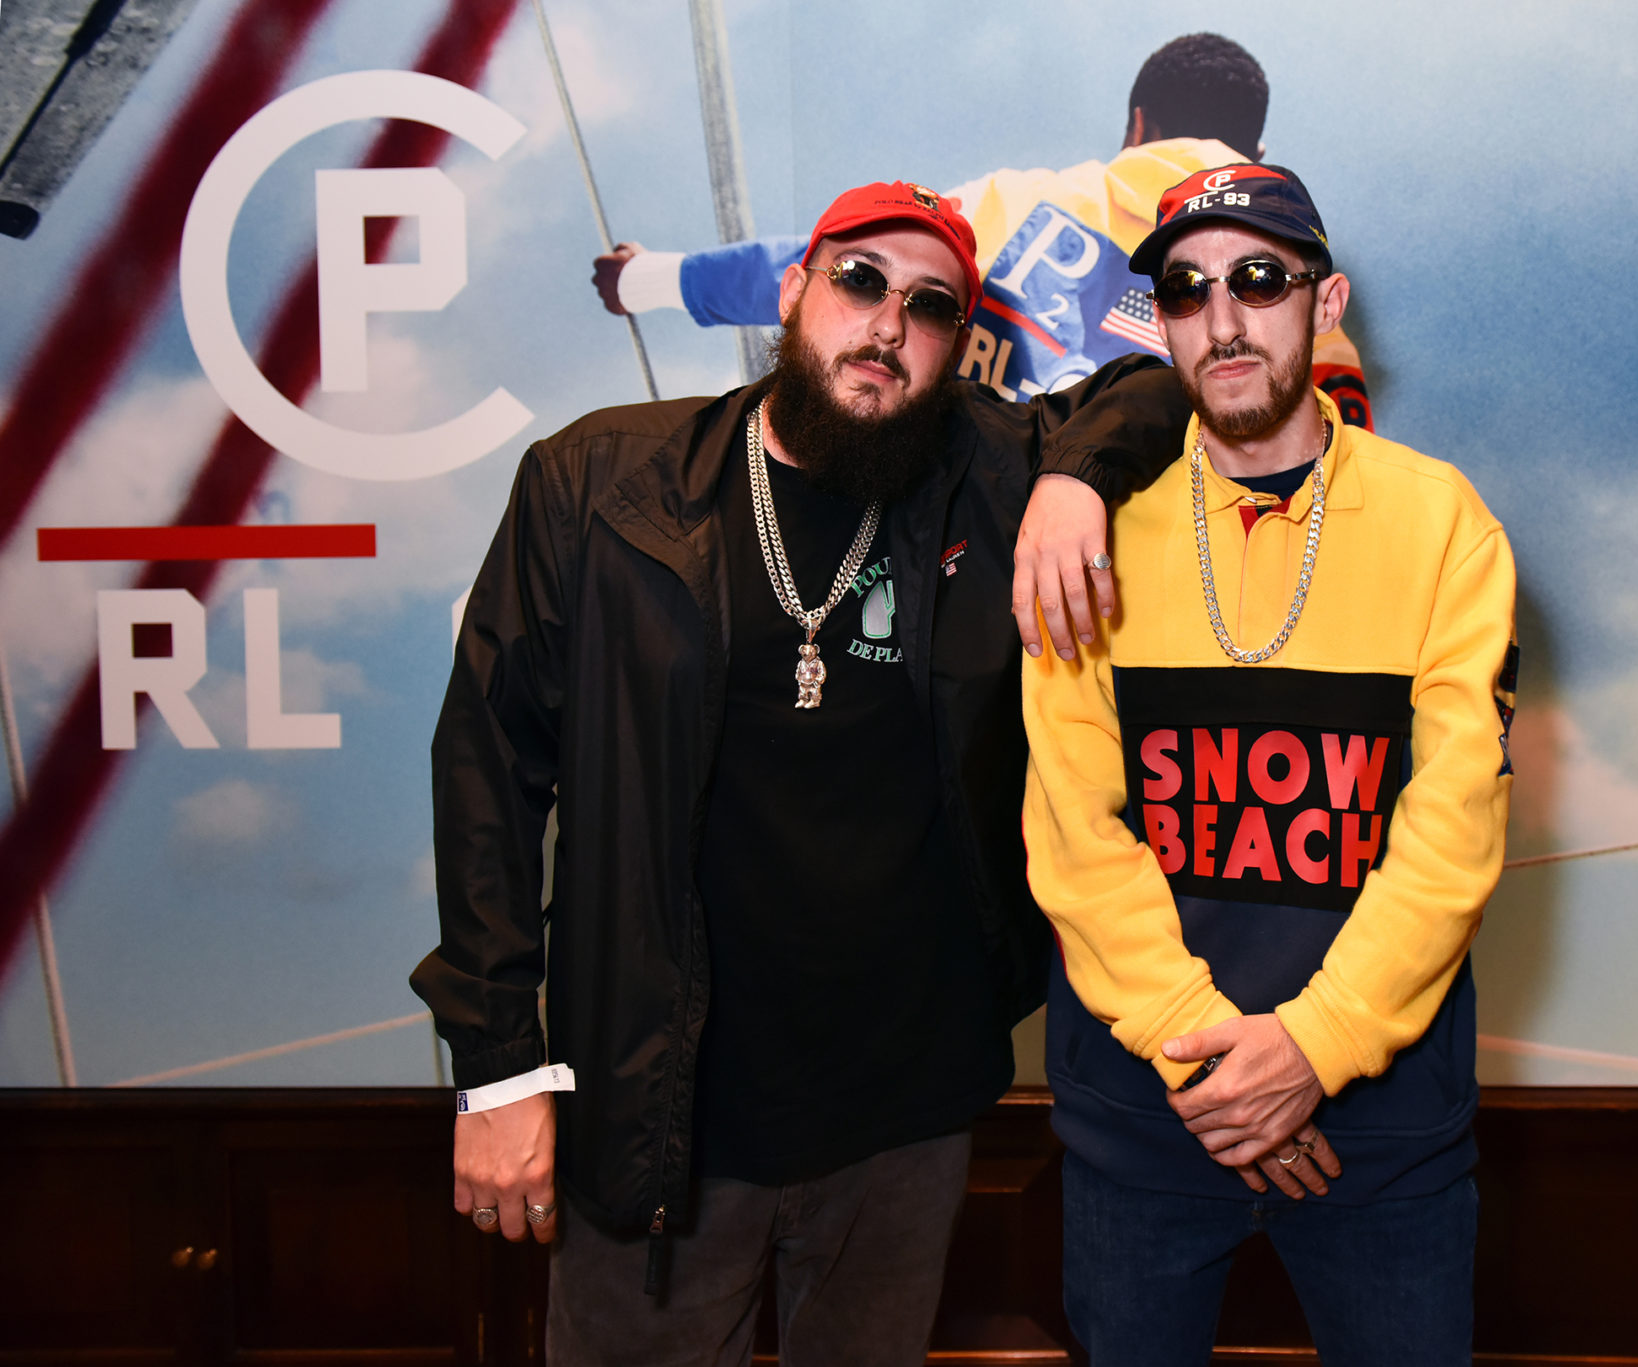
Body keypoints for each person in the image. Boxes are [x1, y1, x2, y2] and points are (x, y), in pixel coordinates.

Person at [410, 180, 1187, 1366]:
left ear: (956, 343)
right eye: (858, 280)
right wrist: (498, 1067)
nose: (887, 324)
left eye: (930, 306)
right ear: (791, 291)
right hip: (660, 1114)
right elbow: (485, 782)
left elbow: (1159, 382)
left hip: (902, 1120)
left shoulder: (987, 469)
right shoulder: (599, 485)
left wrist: (1075, 475)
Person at [1020, 164, 1519, 1365]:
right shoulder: (1089, 528)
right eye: (1185, 291)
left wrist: (1311, 1046)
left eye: (1256, 278)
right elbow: (1072, 829)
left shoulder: (1441, 522)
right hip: (1146, 1123)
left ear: (1323, 302)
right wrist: (1215, 1064)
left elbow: (1452, 827)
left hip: (1376, 1136)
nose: (1222, 318)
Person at [592, 33, 1375, 429]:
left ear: (1138, 124)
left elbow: (824, 272)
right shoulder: (1295, 282)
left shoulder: (1010, 202)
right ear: (1254, 155)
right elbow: (1345, 451)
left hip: (974, 589)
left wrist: (647, 279)